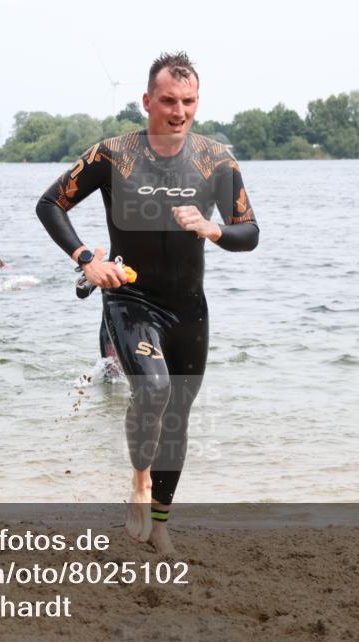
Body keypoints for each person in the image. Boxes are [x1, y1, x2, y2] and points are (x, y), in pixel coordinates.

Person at [36, 52, 259, 555]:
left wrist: (213, 228)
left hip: (188, 307)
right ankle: (138, 481)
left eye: (188, 102)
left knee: (177, 414)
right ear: (146, 101)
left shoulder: (216, 159)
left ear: (197, 103)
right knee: (154, 389)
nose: (178, 111)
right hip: (130, 298)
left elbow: (250, 232)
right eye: (167, 101)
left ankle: (161, 524)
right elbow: (50, 203)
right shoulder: (112, 154)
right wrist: (86, 257)